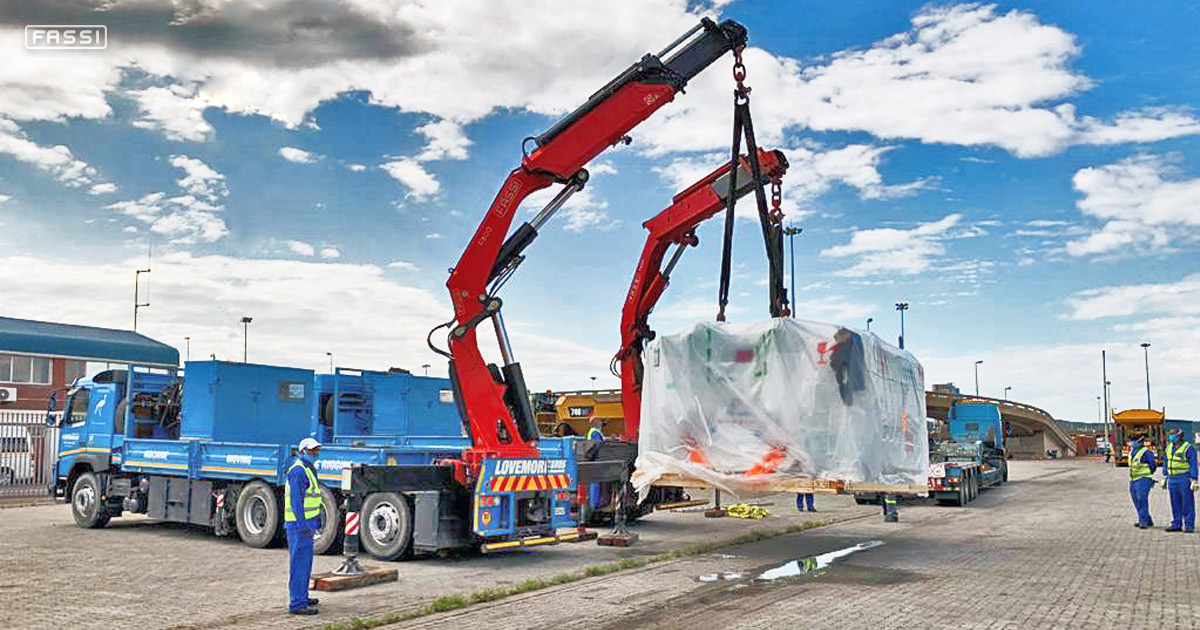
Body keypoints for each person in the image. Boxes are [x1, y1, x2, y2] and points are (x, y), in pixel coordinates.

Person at [285, 437, 323, 615]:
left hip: (307, 524)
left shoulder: (309, 469)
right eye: (311, 450)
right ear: (302, 452)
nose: (315, 453)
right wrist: (302, 525)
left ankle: (303, 596)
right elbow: (296, 502)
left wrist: (316, 519)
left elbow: (311, 497)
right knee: (299, 563)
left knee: (305, 563)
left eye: (316, 450)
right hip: (299, 526)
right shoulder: (298, 471)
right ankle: (297, 603)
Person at [1163, 428, 1197, 533]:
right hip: (1172, 479)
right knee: (1175, 502)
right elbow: (1166, 462)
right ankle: (1176, 524)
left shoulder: (1188, 448)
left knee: (1187, 502)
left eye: (1173, 435)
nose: (1171, 437)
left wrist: (1194, 479)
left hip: (1184, 478)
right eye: (1170, 435)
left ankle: (1189, 525)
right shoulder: (1168, 448)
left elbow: (1193, 464)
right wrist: (1165, 476)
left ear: (1180, 436)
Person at [1128, 435, 1157, 529]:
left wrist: (1148, 475)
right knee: (1136, 500)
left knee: (1142, 500)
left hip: (1143, 479)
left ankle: (1143, 521)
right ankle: (1147, 520)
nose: (1131, 443)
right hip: (1133, 480)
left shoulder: (1146, 452)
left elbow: (1153, 465)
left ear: (1140, 442)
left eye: (1133, 441)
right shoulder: (1132, 451)